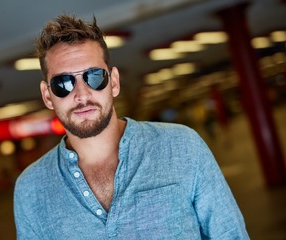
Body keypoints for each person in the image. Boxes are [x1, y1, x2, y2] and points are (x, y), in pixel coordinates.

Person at [13, 14, 249, 239]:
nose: (81, 94)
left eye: (94, 76)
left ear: (113, 82)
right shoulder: (30, 190)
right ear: (47, 95)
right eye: (63, 83)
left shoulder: (183, 147)